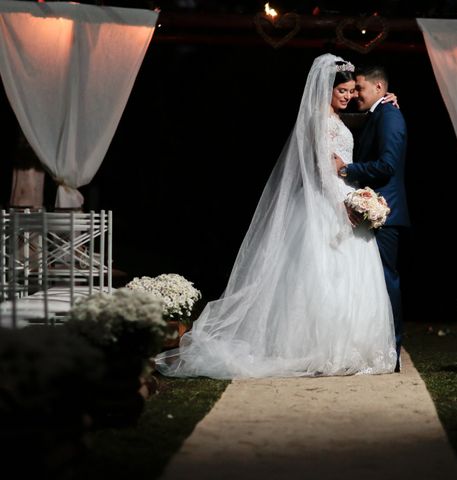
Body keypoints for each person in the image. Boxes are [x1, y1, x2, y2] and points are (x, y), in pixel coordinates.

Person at [154, 53, 397, 379]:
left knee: (347, 278)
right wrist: (344, 204)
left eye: (353, 91)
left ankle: (348, 347)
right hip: (327, 202)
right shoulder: (319, 121)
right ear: (326, 89)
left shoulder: (338, 120)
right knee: (320, 277)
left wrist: (386, 99)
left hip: (342, 196)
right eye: (344, 91)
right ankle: (318, 349)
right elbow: (321, 170)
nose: (350, 96)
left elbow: (364, 126)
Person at [334, 64, 409, 372]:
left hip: (385, 211)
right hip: (372, 208)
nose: (354, 95)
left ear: (379, 89)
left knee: (386, 280)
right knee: (372, 283)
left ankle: (392, 348)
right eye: (349, 90)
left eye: (360, 88)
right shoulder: (380, 112)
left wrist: (347, 170)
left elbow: (388, 165)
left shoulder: (389, 114)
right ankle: (375, 346)